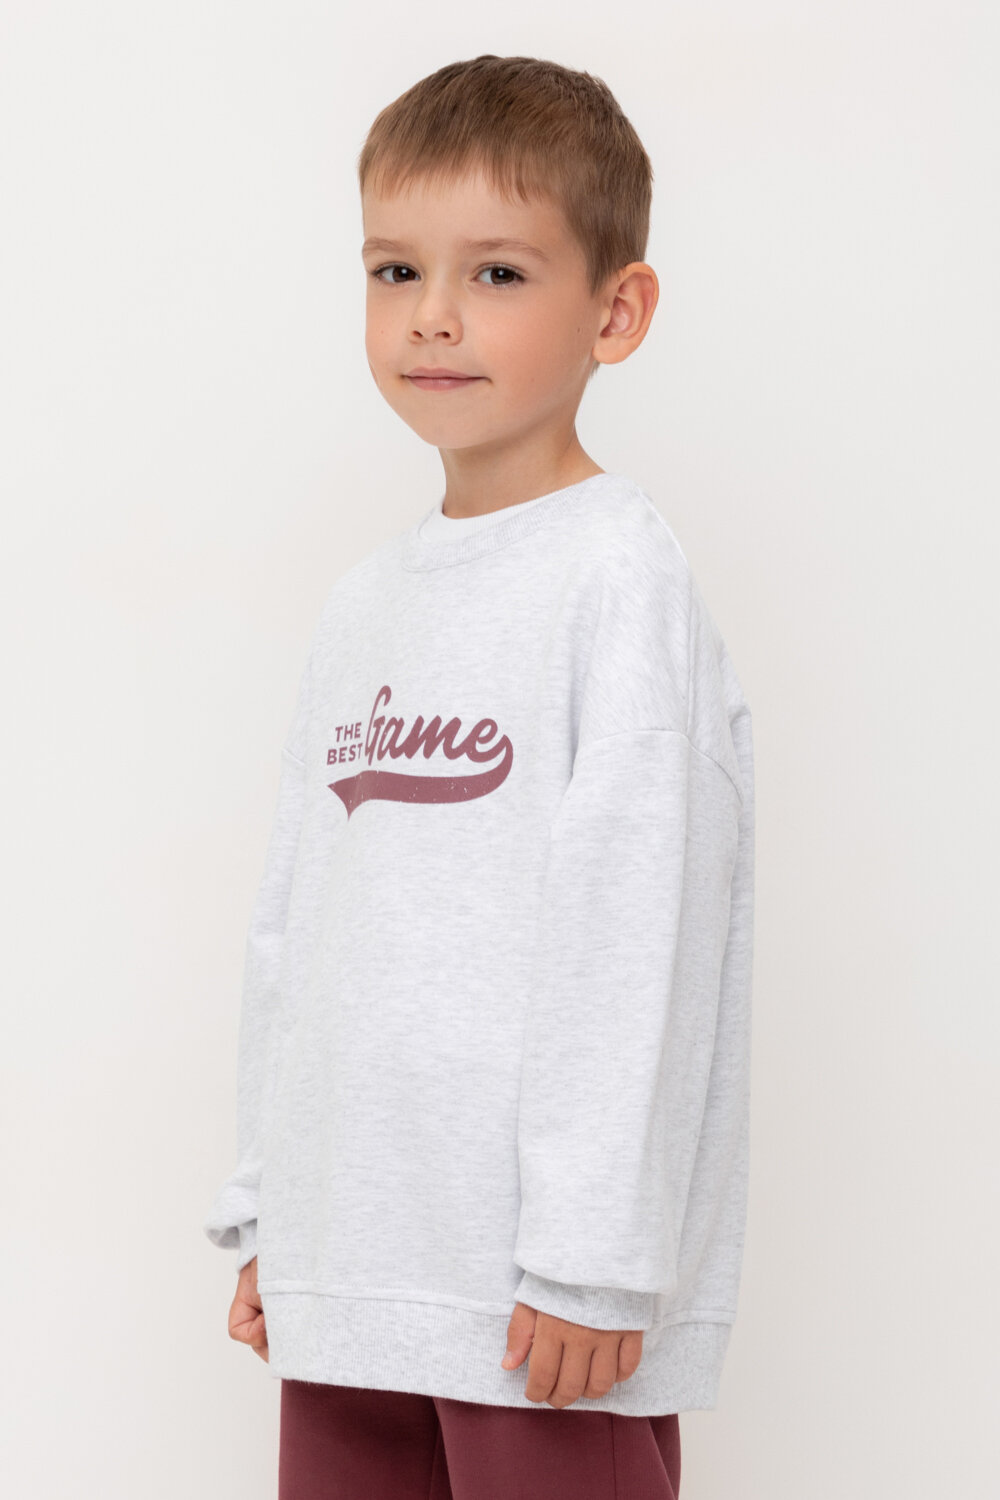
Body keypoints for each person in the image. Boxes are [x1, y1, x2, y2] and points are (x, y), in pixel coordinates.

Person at [203, 53, 755, 1500]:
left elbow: (641, 932)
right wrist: (276, 1211)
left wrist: (595, 1257)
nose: (433, 315)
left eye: (498, 273)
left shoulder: (617, 580)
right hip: (354, 1267)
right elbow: (298, 931)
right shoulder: (362, 606)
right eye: (396, 269)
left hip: (534, 1302)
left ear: (616, 313)